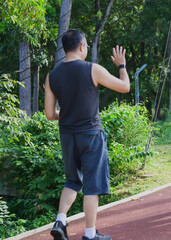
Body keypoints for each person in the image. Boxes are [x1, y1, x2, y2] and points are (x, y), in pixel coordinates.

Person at [44, 29, 130, 240]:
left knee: (72, 181)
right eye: (87, 47)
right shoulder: (93, 69)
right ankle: (90, 235)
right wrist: (122, 65)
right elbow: (125, 87)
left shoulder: (52, 76)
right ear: (82, 46)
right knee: (92, 185)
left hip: (67, 136)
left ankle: (60, 220)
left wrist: (68, 114)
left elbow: (49, 114)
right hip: (91, 134)